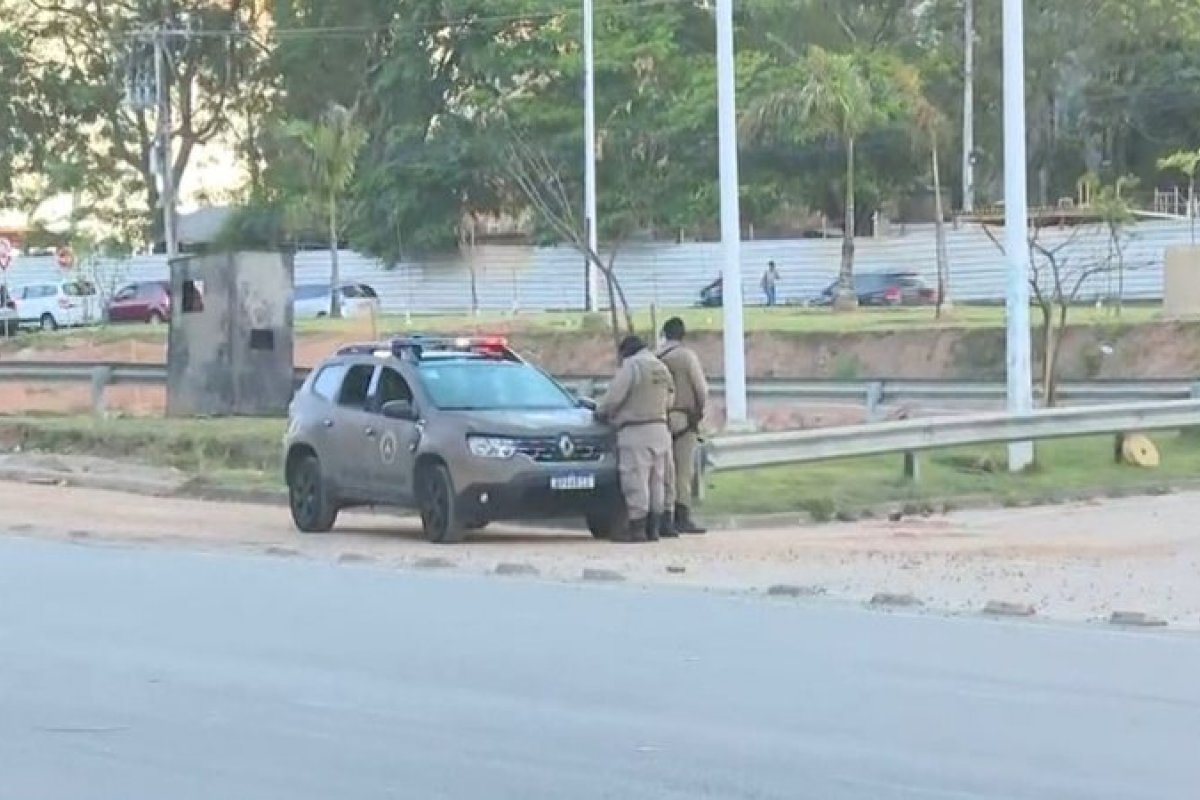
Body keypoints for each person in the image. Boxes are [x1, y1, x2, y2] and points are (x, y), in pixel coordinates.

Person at [595, 335, 675, 543]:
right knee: (657, 480)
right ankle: (654, 528)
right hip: (660, 429)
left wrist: (601, 412)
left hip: (635, 430)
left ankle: (637, 529)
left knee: (636, 480)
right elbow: (671, 398)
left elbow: (613, 398)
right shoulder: (661, 367)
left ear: (624, 352)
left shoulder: (632, 367)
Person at [657, 317, 708, 535]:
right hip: (684, 418)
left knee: (662, 471)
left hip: (660, 418)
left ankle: (663, 515)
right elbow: (701, 388)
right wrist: (700, 413)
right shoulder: (687, 356)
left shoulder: (655, 357)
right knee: (683, 471)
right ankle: (682, 516)